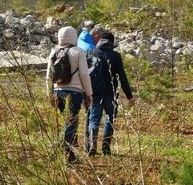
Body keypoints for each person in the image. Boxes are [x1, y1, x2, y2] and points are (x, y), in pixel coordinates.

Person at [46, 26, 93, 163]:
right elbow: (84, 75)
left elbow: (48, 76)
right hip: (75, 92)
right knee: (71, 122)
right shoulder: (78, 52)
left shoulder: (54, 51)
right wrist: (89, 93)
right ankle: (59, 147)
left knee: (65, 122)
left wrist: (49, 94)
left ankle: (69, 155)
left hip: (57, 91)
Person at [87, 31, 136, 156]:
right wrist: (130, 96)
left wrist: (85, 92)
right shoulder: (115, 56)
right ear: (111, 42)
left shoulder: (91, 53)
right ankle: (106, 148)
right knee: (110, 119)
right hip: (111, 93)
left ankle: (92, 146)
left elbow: (86, 74)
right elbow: (122, 77)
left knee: (94, 118)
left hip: (95, 92)